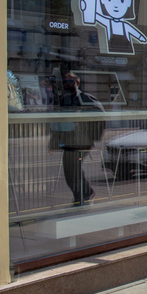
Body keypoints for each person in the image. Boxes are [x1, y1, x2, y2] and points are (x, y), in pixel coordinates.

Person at [50, 73, 105, 205]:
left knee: (74, 168)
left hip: (82, 141)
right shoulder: (63, 100)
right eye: (65, 82)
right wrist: (53, 142)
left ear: (77, 83)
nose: (67, 84)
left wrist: (93, 137)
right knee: (69, 171)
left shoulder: (87, 99)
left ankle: (84, 194)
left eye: (70, 82)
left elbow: (100, 118)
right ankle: (82, 194)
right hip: (69, 141)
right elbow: (59, 123)